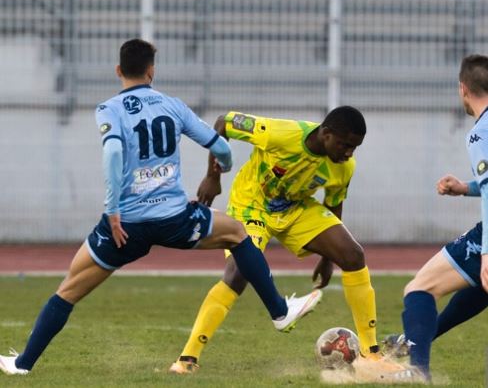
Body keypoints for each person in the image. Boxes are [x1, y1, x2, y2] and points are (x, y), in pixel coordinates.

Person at [0, 39, 321, 376]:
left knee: (68, 289)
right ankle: (279, 311)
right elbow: (221, 148)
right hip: (175, 219)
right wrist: (220, 170)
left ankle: (23, 364)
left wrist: (112, 210)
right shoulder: (173, 106)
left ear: (118, 70)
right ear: (151, 71)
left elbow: (113, 152)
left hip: (125, 226)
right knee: (237, 234)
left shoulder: (109, 109)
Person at [170, 105, 382, 374]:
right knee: (237, 274)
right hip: (252, 205)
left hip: (295, 208)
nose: (349, 153)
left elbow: (333, 204)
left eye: (354, 147)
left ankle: (371, 354)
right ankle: (187, 359)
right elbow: (224, 123)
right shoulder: (281, 134)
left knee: (353, 255)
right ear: (326, 134)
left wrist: (328, 258)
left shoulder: (343, 167)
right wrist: (213, 177)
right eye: (345, 145)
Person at [392, 54, 488, 382]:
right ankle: (415, 339)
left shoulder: (481, 132)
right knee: (480, 286)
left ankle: (417, 369)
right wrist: (465, 187)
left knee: (419, 288)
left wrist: (487, 251)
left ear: (463, 89)